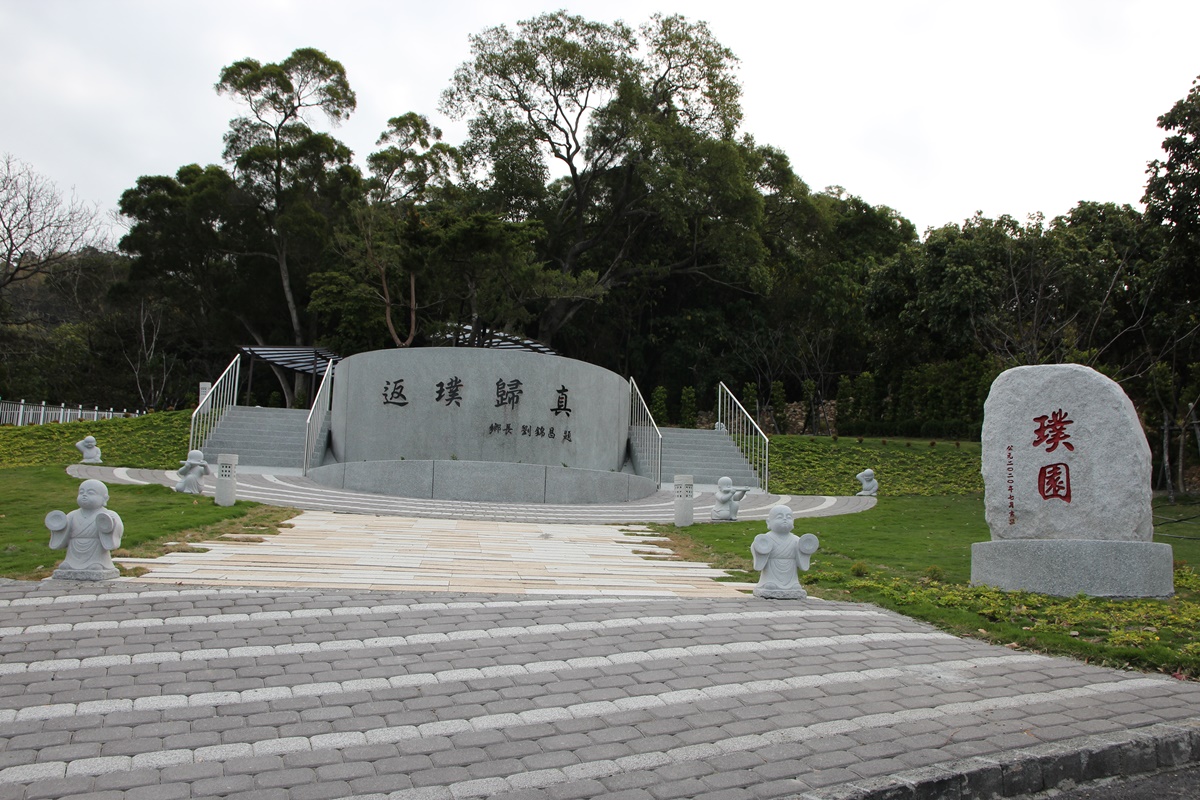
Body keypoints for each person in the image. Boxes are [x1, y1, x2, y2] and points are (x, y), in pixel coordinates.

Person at [45, 479, 123, 580]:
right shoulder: (72, 515)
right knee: (66, 565)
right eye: (81, 492)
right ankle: (70, 563)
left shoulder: (109, 514)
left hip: (95, 546)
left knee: (95, 565)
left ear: (105, 498)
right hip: (74, 546)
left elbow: (117, 528)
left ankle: (98, 562)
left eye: (90, 493)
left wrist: (109, 526)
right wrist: (58, 527)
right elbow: (64, 529)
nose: (84, 495)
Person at [751, 504, 819, 599]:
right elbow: (757, 547)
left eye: (788, 517)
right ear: (768, 522)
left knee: (795, 585)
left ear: (793, 522)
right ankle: (768, 581)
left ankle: (793, 584)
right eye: (779, 517)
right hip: (772, 567)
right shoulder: (767, 538)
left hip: (790, 568)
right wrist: (759, 549)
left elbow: (802, 552)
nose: (785, 519)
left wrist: (805, 550)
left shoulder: (796, 539)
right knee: (770, 585)